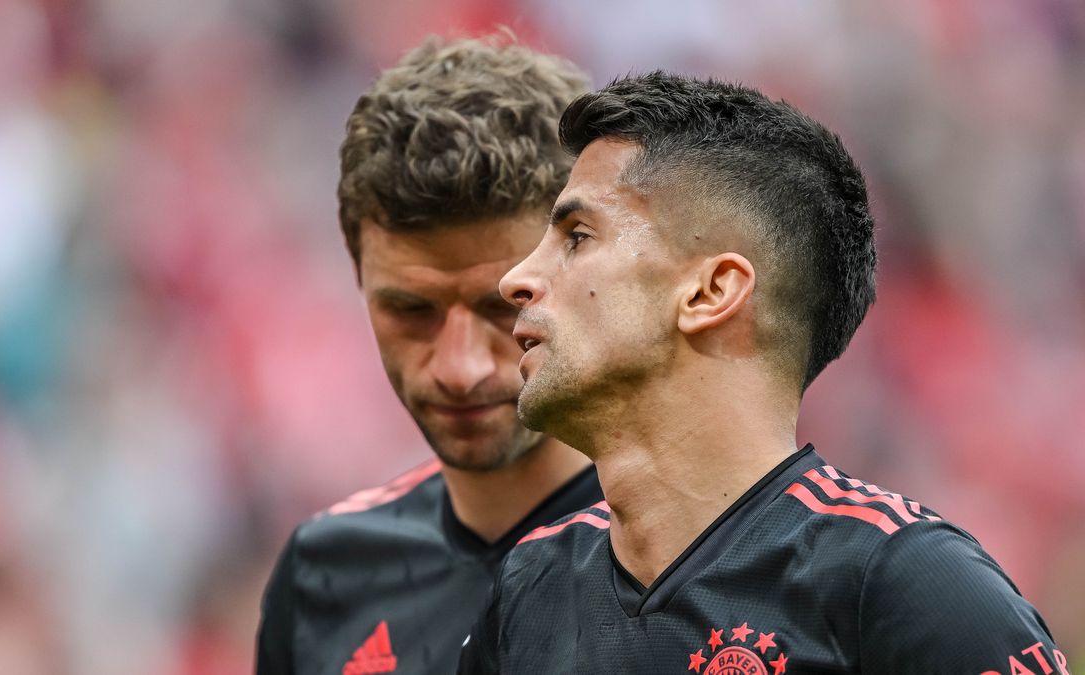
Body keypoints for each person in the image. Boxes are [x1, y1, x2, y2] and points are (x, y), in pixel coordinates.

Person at [458, 73, 1066, 674]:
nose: (515, 279)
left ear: (710, 292)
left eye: (577, 236)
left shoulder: (902, 585)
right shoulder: (528, 589)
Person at [254, 36, 602, 675]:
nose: (459, 368)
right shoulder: (323, 576)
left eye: (505, 306)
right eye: (411, 310)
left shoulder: (720, 569)